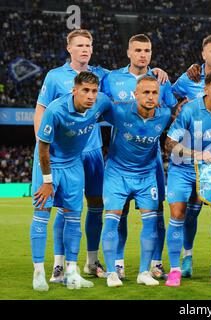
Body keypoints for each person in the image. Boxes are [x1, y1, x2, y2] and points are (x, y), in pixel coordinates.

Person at [34, 29, 109, 282]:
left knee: (96, 206)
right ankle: (58, 265)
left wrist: (158, 73)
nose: (85, 49)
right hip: (64, 154)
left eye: (88, 45)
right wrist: (41, 145)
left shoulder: (102, 75)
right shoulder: (55, 77)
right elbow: (41, 111)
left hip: (93, 150)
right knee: (64, 208)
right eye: (79, 45)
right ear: (69, 48)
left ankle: (91, 261)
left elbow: (128, 82)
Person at [102, 33, 175, 280]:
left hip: (150, 161)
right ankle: (117, 264)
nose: (143, 54)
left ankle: (154, 263)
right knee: (117, 212)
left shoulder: (161, 81)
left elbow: (175, 110)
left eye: (147, 51)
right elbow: (95, 104)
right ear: (129, 52)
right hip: (120, 161)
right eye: (138, 50)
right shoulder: (112, 79)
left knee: (157, 211)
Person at [164, 70, 211, 287]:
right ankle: (175, 269)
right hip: (184, 168)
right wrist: (195, 154)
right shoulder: (190, 110)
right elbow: (169, 144)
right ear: (206, 89)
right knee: (178, 213)